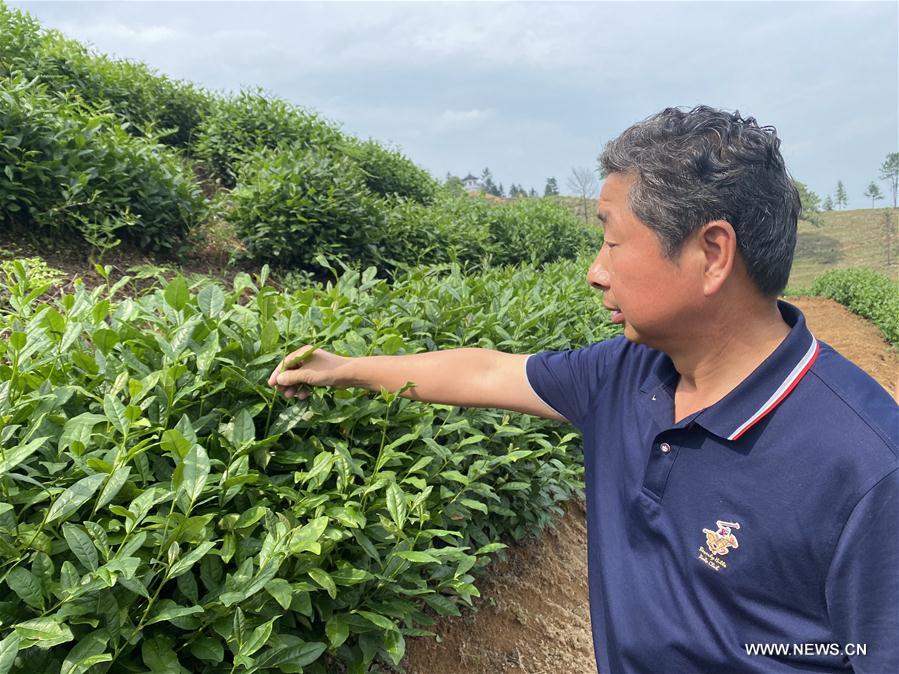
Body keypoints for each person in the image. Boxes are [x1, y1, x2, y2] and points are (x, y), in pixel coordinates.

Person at [267, 106, 898, 674]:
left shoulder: (866, 465)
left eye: (612, 239)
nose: (596, 271)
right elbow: (486, 372)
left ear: (711, 253)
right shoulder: (626, 374)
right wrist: (342, 367)